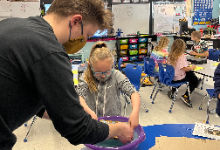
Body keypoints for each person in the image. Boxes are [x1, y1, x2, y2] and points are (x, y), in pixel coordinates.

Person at [0, 0, 134, 149]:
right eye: (87, 35)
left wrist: (67, 111)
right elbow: (77, 130)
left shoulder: (12, 25)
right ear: (76, 21)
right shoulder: (50, 50)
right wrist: (118, 129)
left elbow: (23, 92)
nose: (84, 41)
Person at [75, 41, 141, 130]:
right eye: (98, 73)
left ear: (112, 65)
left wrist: (135, 112)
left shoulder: (117, 76)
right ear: (90, 66)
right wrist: (88, 111)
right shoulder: (86, 76)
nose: (103, 76)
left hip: (113, 124)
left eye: (107, 72)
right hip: (92, 123)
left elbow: (133, 93)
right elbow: (79, 96)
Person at [167, 39, 199, 107]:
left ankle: (173, 90)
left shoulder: (170, 54)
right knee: (194, 80)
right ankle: (185, 96)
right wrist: (192, 67)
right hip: (178, 78)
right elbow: (184, 68)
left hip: (171, 77)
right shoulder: (181, 56)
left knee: (190, 74)